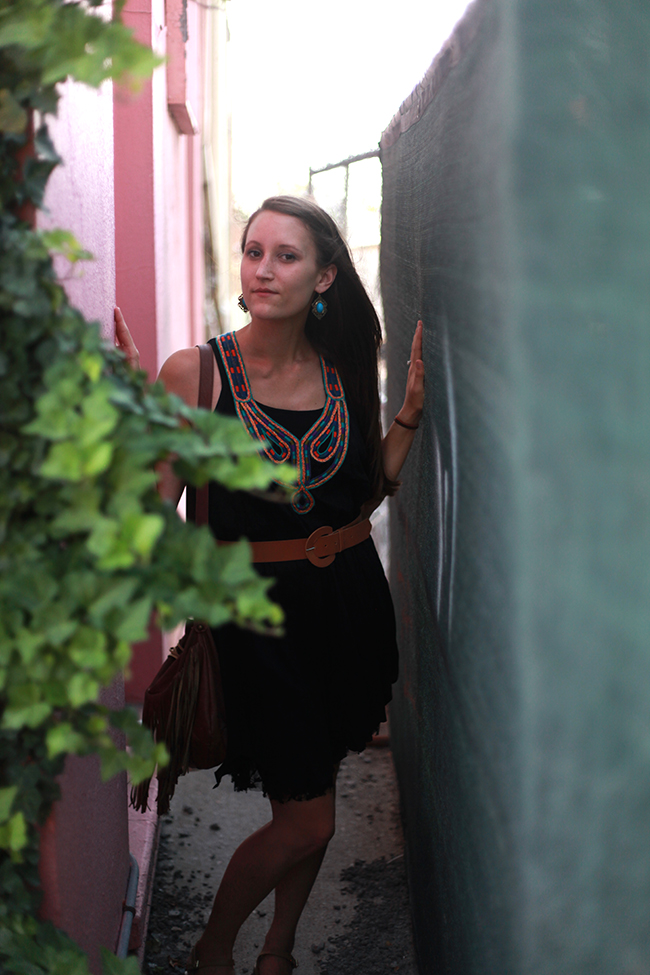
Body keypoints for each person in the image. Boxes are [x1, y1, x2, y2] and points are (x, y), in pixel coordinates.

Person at [115, 195, 424, 975]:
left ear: (324, 276)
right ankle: (214, 948)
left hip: (347, 608)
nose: (262, 269)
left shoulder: (344, 370)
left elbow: (362, 494)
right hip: (257, 627)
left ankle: (277, 951)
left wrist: (409, 417)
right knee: (310, 819)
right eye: (254, 251)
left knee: (310, 792)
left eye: (286, 256)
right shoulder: (196, 374)